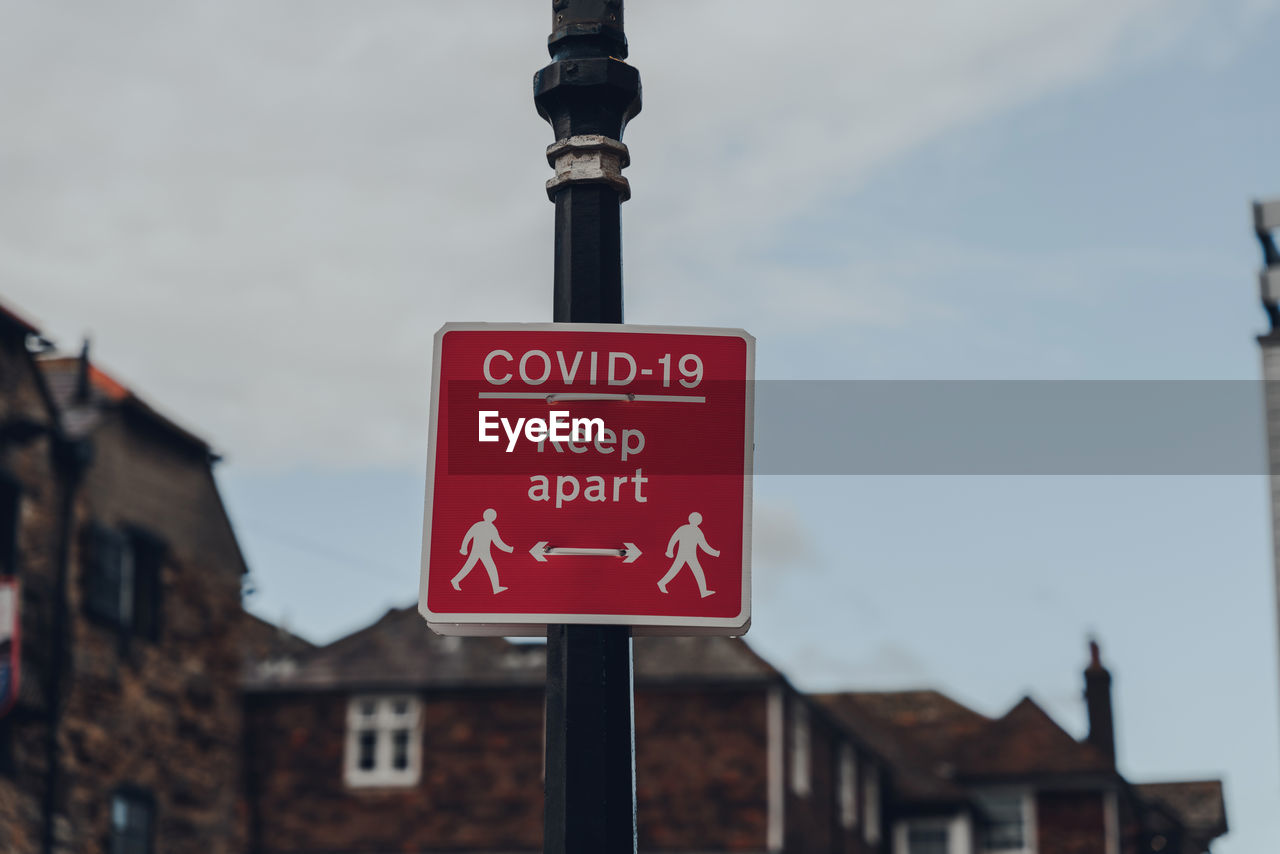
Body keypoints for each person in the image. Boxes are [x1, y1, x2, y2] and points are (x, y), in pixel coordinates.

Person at [658, 511, 719, 598]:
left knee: (682, 570)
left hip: (689, 555)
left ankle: (703, 591)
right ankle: (703, 591)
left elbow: (673, 539)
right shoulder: (695, 530)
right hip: (686, 555)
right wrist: (715, 553)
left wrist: (669, 551)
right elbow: (704, 546)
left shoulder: (686, 528)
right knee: (692, 571)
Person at [453, 508, 513, 594]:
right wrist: (509, 549)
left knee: (480, 567)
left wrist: (464, 548)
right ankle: (455, 580)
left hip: (482, 552)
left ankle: (496, 587)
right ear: (493, 517)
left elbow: (467, 537)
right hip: (481, 552)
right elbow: (498, 543)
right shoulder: (490, 527)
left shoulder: (478, 525)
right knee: (484, 567)